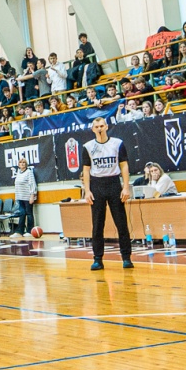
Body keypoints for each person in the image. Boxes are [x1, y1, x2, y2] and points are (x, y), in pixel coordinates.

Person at [79, 115, 132, 271]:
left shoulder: (117, 143)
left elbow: (124, 166)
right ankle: (97, 259)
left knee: (121, 223)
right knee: (97, 225)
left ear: (107, 127)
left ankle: (126, 257)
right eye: (97, 127)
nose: (100, 129)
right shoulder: (88, 146)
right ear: (92, 129)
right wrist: (87, 191)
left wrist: (126, 187)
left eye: (102, 126)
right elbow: (86, 170)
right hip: (97, 185)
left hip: (114, 183)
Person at [11, 157, 39, 239]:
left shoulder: (29, 172)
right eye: (20, 162)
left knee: (29, 213)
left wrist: (32, 196)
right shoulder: (18, 173)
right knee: (22, 214)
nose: (22, 164)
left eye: (24, 162)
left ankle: (30, 231)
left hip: (27, 196)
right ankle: (19, 231)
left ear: (26, 164)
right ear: (18, 165)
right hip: (19, 197)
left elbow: (32, 184)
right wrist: (16, 197)